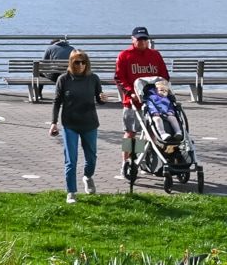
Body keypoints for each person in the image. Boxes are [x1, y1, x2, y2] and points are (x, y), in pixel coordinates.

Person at [50, 49, 105, 204]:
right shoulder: (63, 79)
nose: (80, 65)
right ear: (71, 63)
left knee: (92, 158)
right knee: (71, 160)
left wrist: (102, 99)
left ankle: (87, 176)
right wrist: (54, 123)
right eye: (77, 62)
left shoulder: (93, 78)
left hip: (90, 123)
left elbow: (99, 99)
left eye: (83, 62)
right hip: (70, 125)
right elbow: (56, 102)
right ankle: (71, 192)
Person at [114, 26, 170, 166]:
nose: (142, 42)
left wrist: (162, 93)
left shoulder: (155, 55)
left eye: (145, 39)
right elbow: (119, 78)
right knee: (130, 134)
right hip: (132, 102)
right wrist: (130, 92)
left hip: (153, 102)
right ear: (132, 39)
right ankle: (126, 162)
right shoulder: (124, 55)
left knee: (150, 133)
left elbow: (164, 76)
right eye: (139, 39)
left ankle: (141, 159)